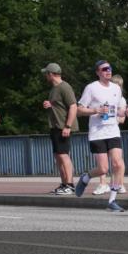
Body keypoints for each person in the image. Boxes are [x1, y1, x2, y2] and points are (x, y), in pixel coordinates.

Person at [74, 61, 128, 212]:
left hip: (113, 130)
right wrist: (96, 110)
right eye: (104, 69)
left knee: (118, 164)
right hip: (97, 132)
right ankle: (86, 177)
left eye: (110, 68)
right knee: (102, 169)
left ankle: (112, 200)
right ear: (98, 72)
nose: (108, 71)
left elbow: (119, 111)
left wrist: (126, 113)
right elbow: (79, 110)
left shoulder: (116, 88)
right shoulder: (92, 88)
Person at [42, 63, 78, 195]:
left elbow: (73, 106)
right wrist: (50, 104)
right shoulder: (54, 89)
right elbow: (60, 105)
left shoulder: (65, 87)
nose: (45, 76)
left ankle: (70, 184)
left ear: (51, 74)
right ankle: (63, 184)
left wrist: (67, 126)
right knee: (58, 156)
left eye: (46, 73)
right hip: (55, 126)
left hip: (63, 126)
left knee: (64, 155)